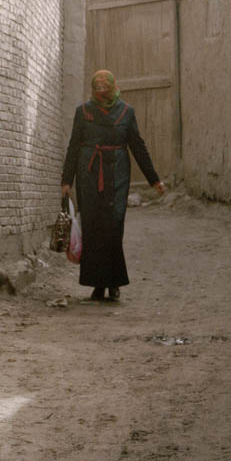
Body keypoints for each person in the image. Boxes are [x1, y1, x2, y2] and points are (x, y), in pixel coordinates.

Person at [60, 69, 166, 302]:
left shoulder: (126, 113)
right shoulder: (83, 112)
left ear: (112, 87)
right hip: (88, 175)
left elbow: (138, 147)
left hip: (117, 175)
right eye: (96, 88)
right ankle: (97, 285)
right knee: (93, 227)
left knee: (114, 227)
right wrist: (66, 180)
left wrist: (154, 179)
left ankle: (114, 283)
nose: (100, 91)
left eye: (104, 87)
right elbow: (73, 147)